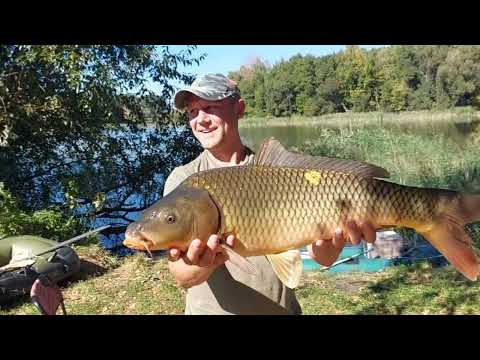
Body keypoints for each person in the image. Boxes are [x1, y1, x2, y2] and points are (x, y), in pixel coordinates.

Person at [164, 73, 376, 315]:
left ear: (239, 108)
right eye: (192, 112)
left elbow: (324, 258)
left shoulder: (281, 173)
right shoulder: (185, 182)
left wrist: (335, 241)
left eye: (210, 107)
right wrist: (204, 264)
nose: (200, 120)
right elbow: (182, 277)